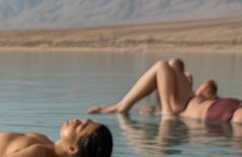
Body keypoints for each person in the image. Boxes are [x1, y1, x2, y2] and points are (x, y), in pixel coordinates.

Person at [88, 59, 242, 124]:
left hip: (221, 109)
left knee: (168, 64)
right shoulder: (193, 98)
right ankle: (122, 107)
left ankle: (121, 107)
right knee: (167, 64)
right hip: (189, 106)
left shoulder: (198, 94)